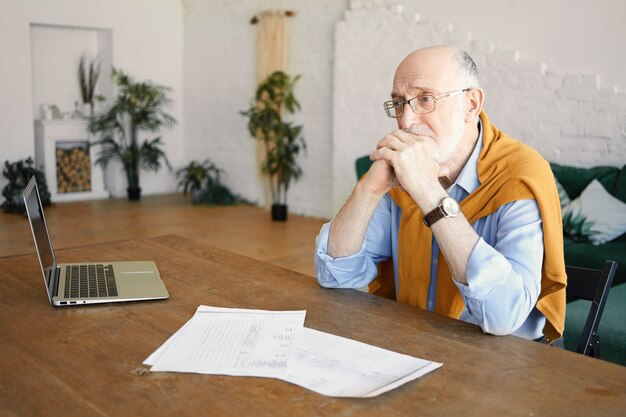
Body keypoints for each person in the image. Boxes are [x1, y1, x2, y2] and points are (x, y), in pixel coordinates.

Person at [314, 45, 567, 342]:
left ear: (471, 104)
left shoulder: (520, 175)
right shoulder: (401, 175)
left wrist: (428, 193)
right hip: (415, 343)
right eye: (398, 103)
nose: (406, 121)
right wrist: (369, 189)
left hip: (505, 364)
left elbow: (503, 318)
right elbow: (335, 275)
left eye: (425, 99)